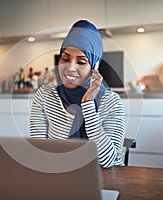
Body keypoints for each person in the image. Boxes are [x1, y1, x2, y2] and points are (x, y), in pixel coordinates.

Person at [29, 20, 125, 168]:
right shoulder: (45, 96)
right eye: (65, 59)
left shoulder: (111, 102)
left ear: (95, 67)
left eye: (81, 62)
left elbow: (108, 162)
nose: (70, 68)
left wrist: (88, 104)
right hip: (61, 178)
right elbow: (39, 151)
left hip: (105, 181)